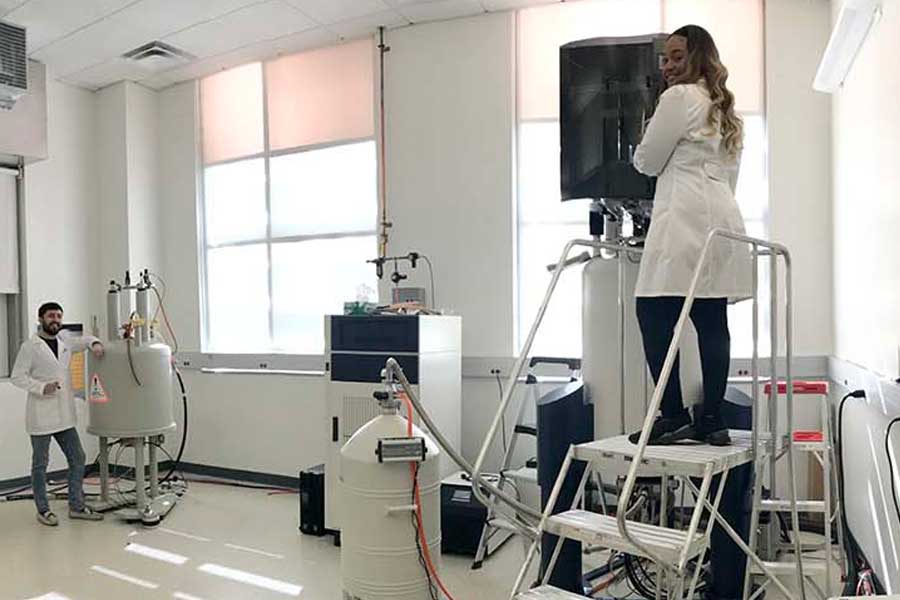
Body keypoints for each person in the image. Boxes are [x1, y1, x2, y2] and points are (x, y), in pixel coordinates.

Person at [629, 25, 751, 446]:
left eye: (677, 56)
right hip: (721, 220)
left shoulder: (678, 98)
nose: (667, 66)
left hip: (682, 219)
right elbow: (732, 177)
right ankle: (712, 420)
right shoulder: (725, 110)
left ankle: (673, 415)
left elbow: (647, 161)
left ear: (699, 57)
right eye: (665, 58)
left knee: (651, 311)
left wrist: (639, 146)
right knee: (711, 317)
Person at [11, 302, 106, 526]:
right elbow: (17, 376)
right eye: (51, 316)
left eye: (59, 316)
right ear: (41, 318)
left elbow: (85, 340)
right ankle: (43, 510)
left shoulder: (65, 341)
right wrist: (42, 387)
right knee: (40, 464)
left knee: (78, 457)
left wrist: (96, 343)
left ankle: (77, 506)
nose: (55, 320)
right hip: (41, 414)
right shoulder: (30, 346)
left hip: (63, 414)